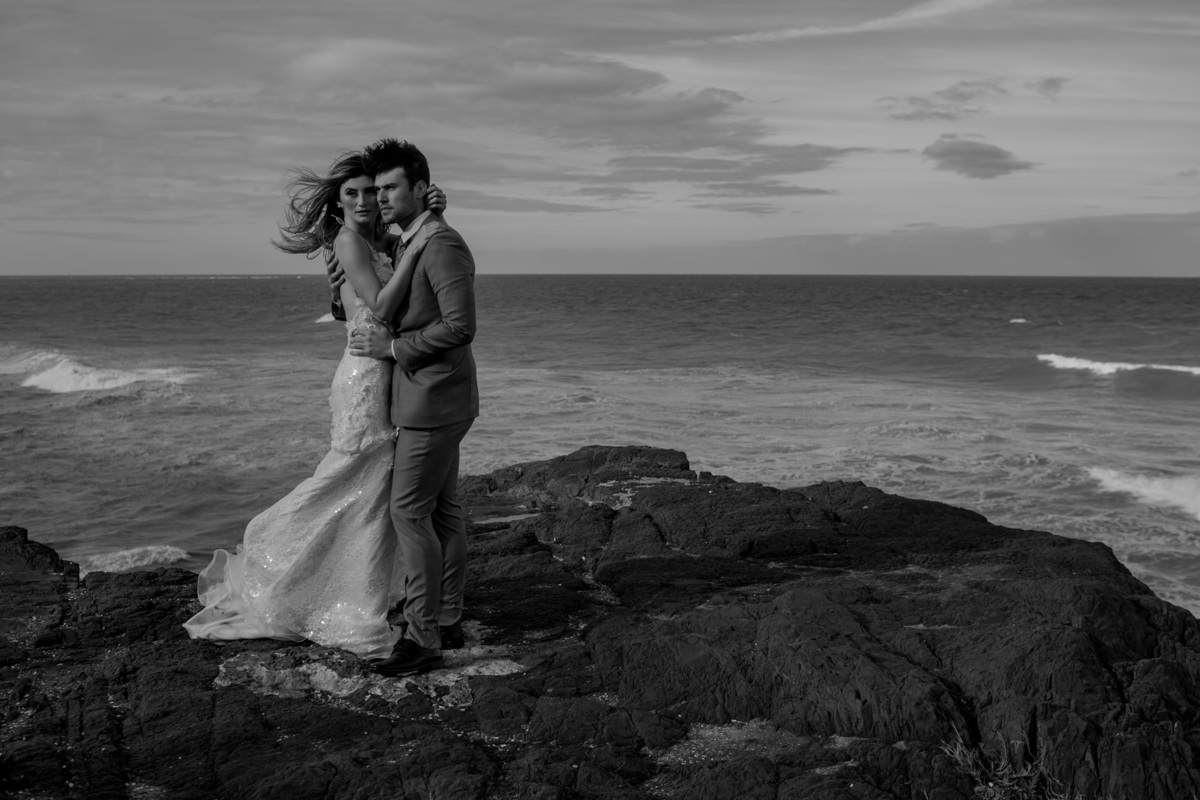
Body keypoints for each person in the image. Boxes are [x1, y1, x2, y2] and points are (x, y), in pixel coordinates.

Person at [182, 151, 446, 660]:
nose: (367, 200)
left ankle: (355, 590)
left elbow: (406, 259)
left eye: (373, 191)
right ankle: (279, 553)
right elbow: (384, 304)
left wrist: (433, 218)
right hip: (366, 376)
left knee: (371, 488)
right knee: (351, 474)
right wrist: (417, 249)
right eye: (353, 193)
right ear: (337, 201)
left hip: (382, 371)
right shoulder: (348, 240)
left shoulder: (377, 240)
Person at [348, 138, 478, 678]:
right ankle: (446, 616)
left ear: (420, 188)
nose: (380, 198)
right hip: (437, 397)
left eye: (390, 188)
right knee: (442, 512)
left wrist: (394, 349)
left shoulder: (441, 244)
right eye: (376, 189)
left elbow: (460, 325)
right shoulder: (412, 238)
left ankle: (423, 636)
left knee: (409, 513)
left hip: (433, 399)